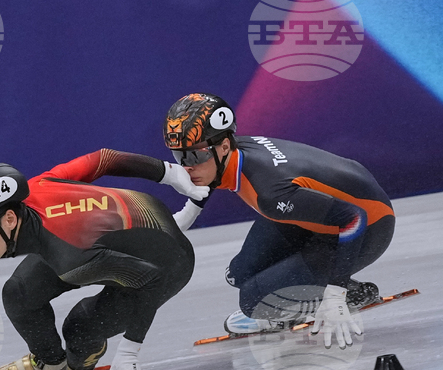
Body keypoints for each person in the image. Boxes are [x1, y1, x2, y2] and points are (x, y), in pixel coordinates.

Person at [0, 151, 208, 370]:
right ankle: (50, 361)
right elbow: (103, 158)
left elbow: (151, 280)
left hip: (169, 264)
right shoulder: (38, 187)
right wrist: (168, 173)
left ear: (9, 219)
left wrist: (130, 349)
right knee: (19, 292)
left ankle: (78, 362)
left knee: (79, 328)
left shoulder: (71, 257)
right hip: (119, 234)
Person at [163, 93, 395, 348]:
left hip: (369, 226)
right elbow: (209, 175)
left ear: (225, 146)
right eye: (179, 156)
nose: (187, 167)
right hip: (319, 212)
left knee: (253, 301)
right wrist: (188, 214)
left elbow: (354, 218)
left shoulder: (270, 192)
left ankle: (349, 294)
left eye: (194, 157)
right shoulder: (231, 152)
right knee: (238, 274)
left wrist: (335, 294)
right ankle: (309, 290)